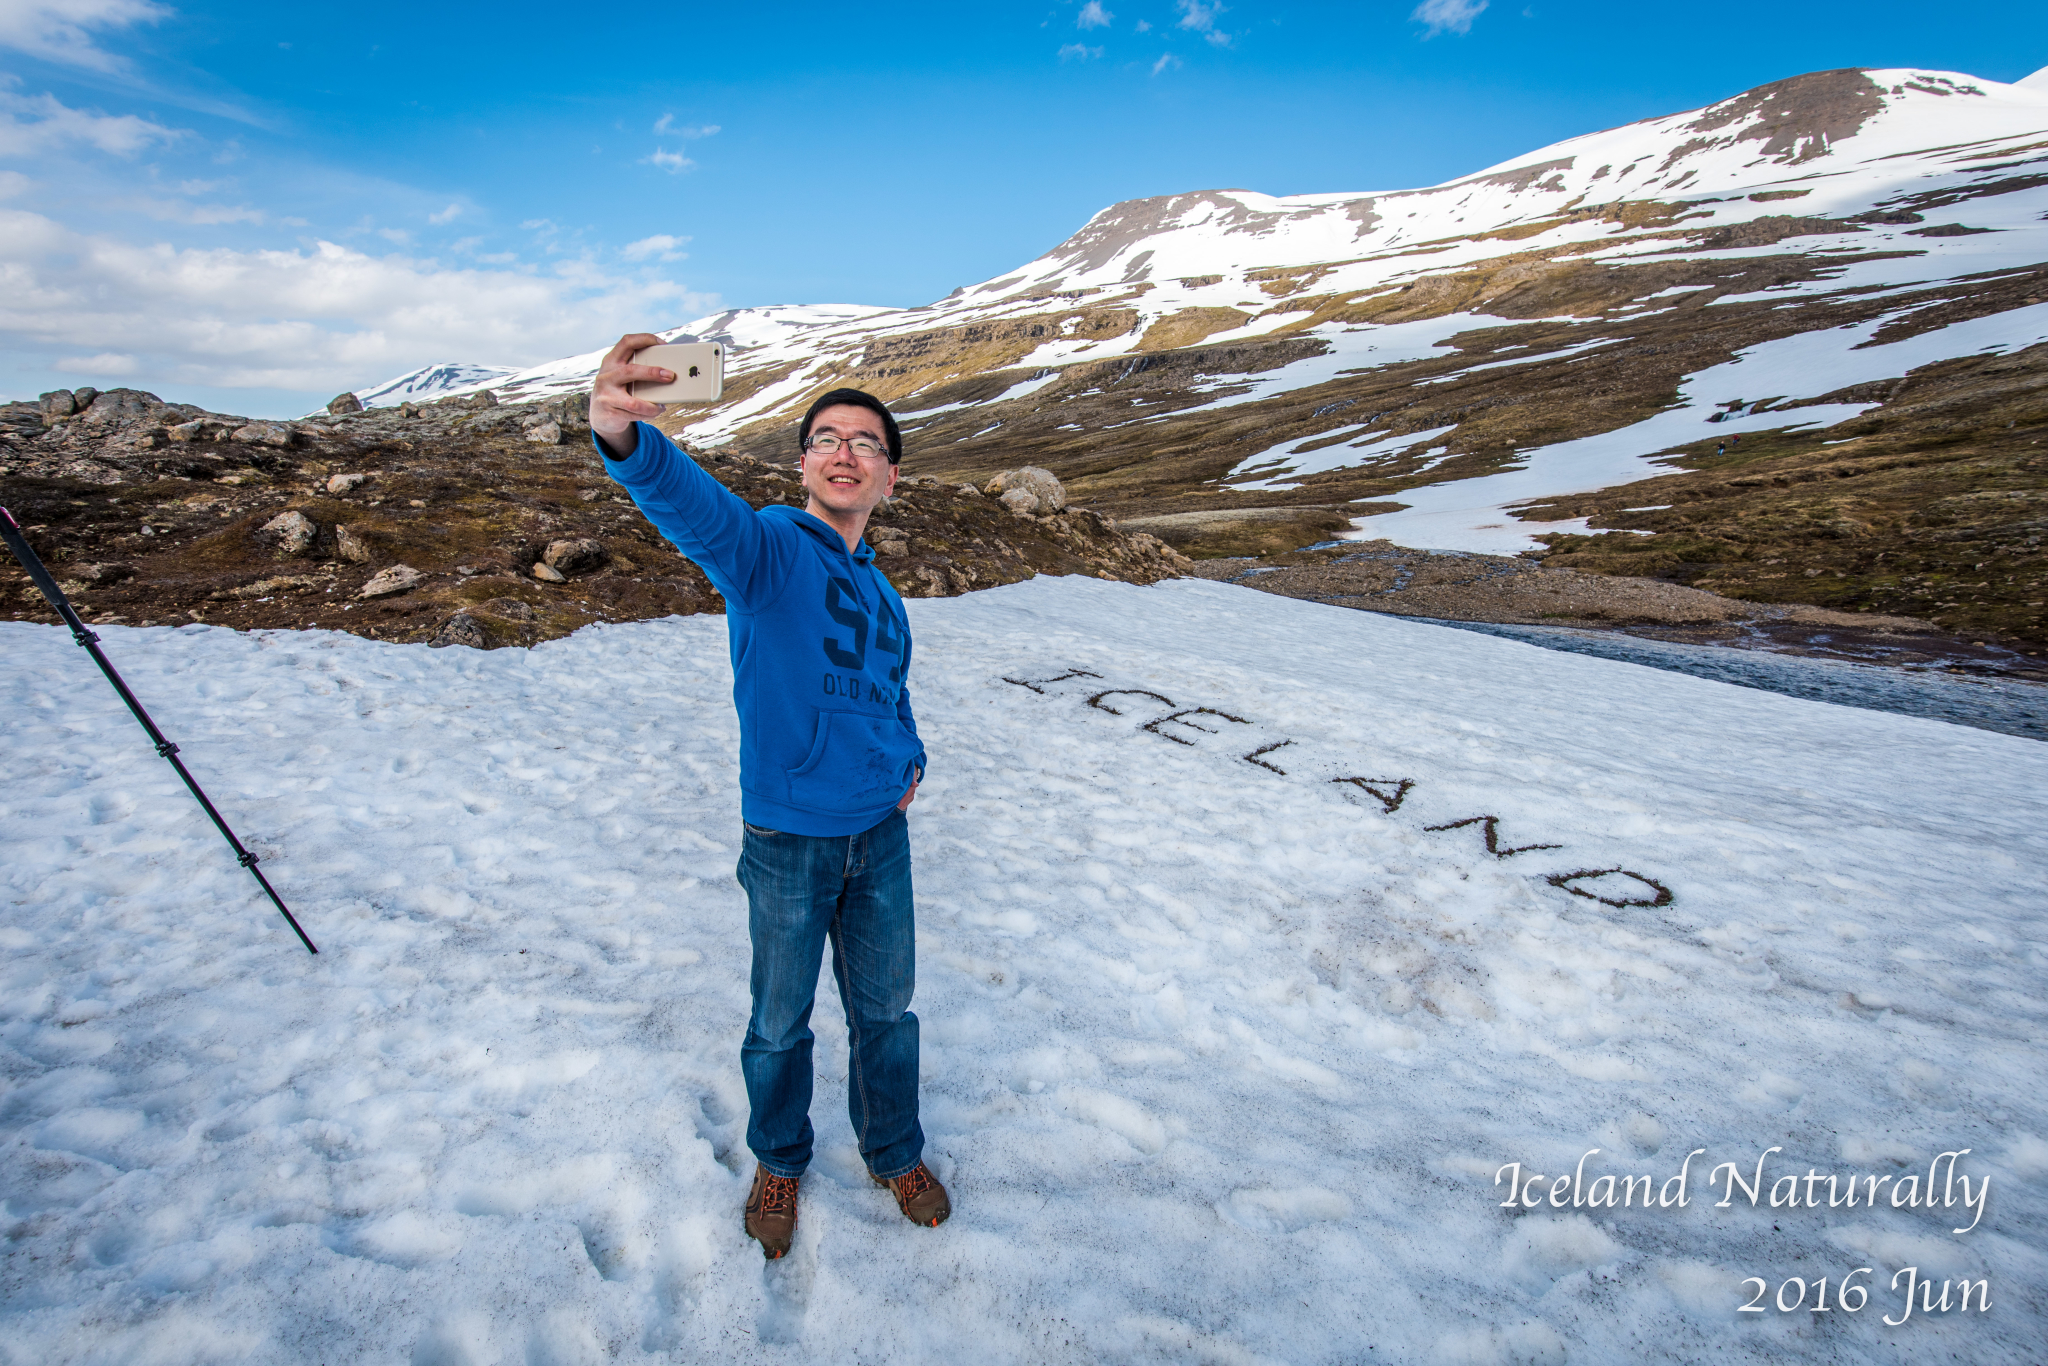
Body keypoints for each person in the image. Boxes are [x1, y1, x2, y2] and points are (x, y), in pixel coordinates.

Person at [589, 332, 950, 1260]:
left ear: (888, 479)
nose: (845, 451)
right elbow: (696, 510)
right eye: (828, 437)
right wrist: (626, 439)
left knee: (887, 1014)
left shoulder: (885, 590)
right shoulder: (768, 554)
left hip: (880, 837)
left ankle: (893, 1152)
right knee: (779, 1021)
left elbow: (891, 690)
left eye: (866, 443)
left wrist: (909, 763)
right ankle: (781, 1159)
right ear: (803, 466)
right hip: (789, 837)